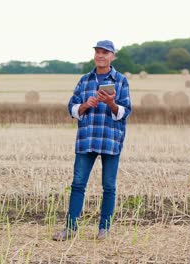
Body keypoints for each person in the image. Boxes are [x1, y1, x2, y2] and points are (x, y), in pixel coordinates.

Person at [52, 40, 132, 241]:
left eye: (105, 52)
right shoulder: (84, 80)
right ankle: (70, 229)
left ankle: (104, 229)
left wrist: (111, 103)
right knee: (78, 184)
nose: (101, 55)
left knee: (109, 186)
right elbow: (72, 109)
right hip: (86, 139)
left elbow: (125, 112)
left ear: (112, 56)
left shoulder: (121, 81)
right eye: (98, 52)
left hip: (110, 139)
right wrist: (85, 105)